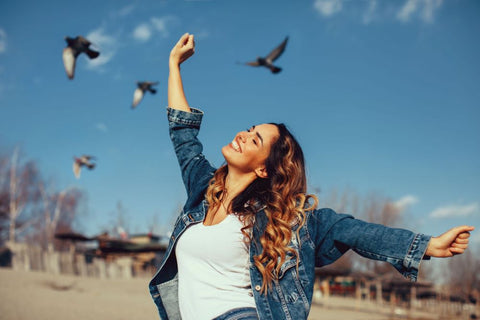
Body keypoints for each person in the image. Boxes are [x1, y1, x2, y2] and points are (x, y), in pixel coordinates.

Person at [149, 33, 475, 320]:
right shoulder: (203, 192)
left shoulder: (288, 220)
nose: (244, 135)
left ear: (264, 169)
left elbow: (355, 231)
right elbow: (182, 134)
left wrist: (426, 246)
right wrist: (174, 65)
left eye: (256, 139)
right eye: (249, 130)